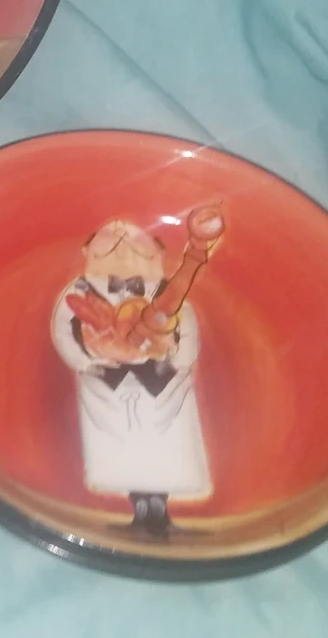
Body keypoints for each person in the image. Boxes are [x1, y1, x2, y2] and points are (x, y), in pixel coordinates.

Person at [49, 218, 214, 537]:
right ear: (88, 251)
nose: (122, 241)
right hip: (105, 383)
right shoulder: (80, 291)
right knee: (121, 448)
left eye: (134, 242)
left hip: (164, 384)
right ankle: (139, 509)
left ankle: (160, 511)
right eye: (110, 241)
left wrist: (180, 359)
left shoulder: (167, 290)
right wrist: (85, 361)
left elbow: (186, 325)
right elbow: (62, 330)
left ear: (157, 252)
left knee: (166, 448)